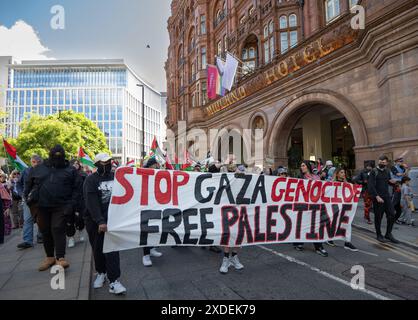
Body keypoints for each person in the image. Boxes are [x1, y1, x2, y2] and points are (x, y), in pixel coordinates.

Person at [25, 145, 82, 271]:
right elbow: (28, 184)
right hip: (41, 206)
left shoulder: (71, 170)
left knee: (58, 228)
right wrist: (29, 202)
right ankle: (49, 257)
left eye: (59, 155)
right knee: (45, 231)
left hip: (61, 206)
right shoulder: (39, 168)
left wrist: (71, 205)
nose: (57, 158)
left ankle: (60, 258)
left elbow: (77, 189)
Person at [84, 153, 127, 295]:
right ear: (97, 165)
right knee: (98, 249)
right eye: (104, 162)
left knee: (112, 250)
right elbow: (91, 202)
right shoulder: (90, 180)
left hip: (113, 220)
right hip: (95, 222)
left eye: (109, 161)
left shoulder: (116, 176)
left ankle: (114, 281)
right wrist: (100, 221)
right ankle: (101, 272)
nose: (107, 164)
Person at [293, 161, 328, 257]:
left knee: (316, 225)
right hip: (303, 206)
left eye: (303, 165)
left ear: (308, 166)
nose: (302, 167)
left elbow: (321, 189)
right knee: (303, 225)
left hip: (315, 205)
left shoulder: (316, 177)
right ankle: (298, 243)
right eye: (301, 166)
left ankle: (319, 247)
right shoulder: (300, 178)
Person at [219, 162, 245, 274]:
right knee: (227, 234)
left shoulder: (244, 179)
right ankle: (226, 259)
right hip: (227, 210)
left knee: (239, 235)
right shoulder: (226, 178)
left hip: (241, 210)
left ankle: (234, 257)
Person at [368, 155, 399, 244]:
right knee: (378, 217)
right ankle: (379, 235)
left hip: (386, 197)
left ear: (387, 163)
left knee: (392, 214)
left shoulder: (387, 171)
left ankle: (388, 234)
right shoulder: (374, 171)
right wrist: (377, 196)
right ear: (378, 162)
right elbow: (371, 186)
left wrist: (393, 182)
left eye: (384, 162)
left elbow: (388, 181)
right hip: (378, 198)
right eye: (381, 161)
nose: (382, 163)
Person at [326, 168, 358, 251]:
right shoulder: (332, 183)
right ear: (337, 174)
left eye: (344, 172)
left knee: (347, 222)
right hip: (335, 207)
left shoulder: (348, 185)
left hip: (345, 207)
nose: (343, 174)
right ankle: (329, 238)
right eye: (341, 172)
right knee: (333, 222)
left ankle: (347, 242)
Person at [16, 155, 43, 249]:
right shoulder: (26, 171)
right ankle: (27, 240)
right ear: (31, 162)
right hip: (28, 200)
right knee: (28, 219)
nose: (36, 163)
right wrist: (22, 195)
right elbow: (18, 184)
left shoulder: (45, 170)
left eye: (38, 161)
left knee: (41, 218)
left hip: (41, 199)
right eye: (33, 162)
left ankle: (41, 236)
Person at [141, 157, 163, 267]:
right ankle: (145, 255)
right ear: (152, 165)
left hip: (156, 205)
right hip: (145, 206)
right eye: (156, 164)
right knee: (146, 230)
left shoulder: (157, 173)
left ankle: (153, 249)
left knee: (156, 229)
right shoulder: (143, 174)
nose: (158, 165)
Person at [67, 160, 87, 248]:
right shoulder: (66, 175)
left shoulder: (83, 174)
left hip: (80, 200)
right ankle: (71, 238)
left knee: (80, 219)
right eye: (73, 164)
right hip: (68, 201)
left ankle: (81, 231)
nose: (75, 165)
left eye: (76, 164)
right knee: (69, 220)